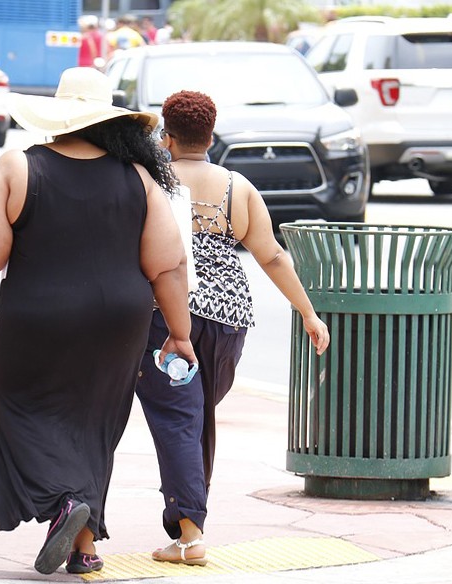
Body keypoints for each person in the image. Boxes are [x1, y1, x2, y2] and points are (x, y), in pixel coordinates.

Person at [0, 67, 197, 576]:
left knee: (20, 410)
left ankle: (63, 506)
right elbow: (169, 264)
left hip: (38, 317)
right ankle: (84, 544)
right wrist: (179, 336)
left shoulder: (20, 169)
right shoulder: (139, 179)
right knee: (95, 422)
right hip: (120, 322)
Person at [136, 90, 330, 565]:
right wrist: (307, 312)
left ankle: (190, 532)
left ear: (169, 135)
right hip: (227, 320)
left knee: (179, 419)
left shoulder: (148, 181)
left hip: (166, 314)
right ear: (212, 134)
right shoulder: (236, 187)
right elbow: (272, 255)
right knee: (197, 415)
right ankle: (187, 527)